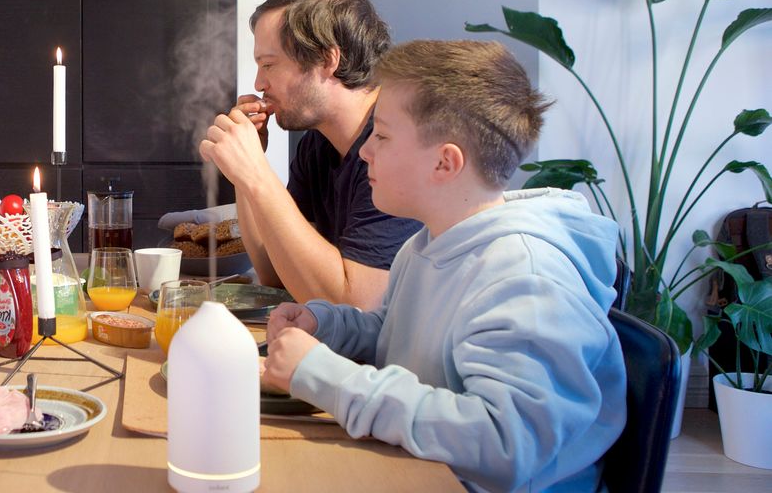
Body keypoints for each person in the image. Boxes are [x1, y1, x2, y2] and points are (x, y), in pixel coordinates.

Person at [261, 40, 625, 492]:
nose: (366, 152)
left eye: (383, 135)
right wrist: (329, 325)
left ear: (444, 162)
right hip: (423, 469)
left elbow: (506, 445)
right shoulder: (428, 243)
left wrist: (326, 376)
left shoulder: (527, 280)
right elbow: (402, 336)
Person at [199, 0, 420, 307]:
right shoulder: (318, 146)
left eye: (269, 65)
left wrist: (257, 174)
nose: (259, 83)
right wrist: (242, 175)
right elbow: (276, 274)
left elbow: (356, 306)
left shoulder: (397, 146)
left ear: (327, 60)